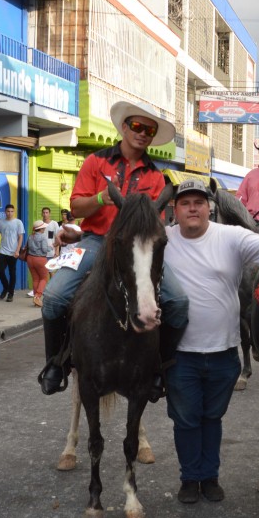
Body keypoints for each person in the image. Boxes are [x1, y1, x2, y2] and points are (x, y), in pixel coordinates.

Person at [39, 100, 189, 398]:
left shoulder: (156, 177)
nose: (142, 133)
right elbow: (76, 207)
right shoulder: (96, 162)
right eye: (137, 126)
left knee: (178, 302)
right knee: (54, 298)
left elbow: (156, 224)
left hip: (136, 248)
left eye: (149, 130)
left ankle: (160, 367)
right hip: (96, 241)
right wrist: (100, 199)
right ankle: (56, 364)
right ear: (123, 127)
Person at [163, 180, 259, 503]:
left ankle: (210, 476)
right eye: (185, 203)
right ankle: (189, 478)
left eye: (199, 202)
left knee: (212, 418)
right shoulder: (163, 239)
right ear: (175, 209)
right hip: (180, 355)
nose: (193, 208)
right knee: (186, 420)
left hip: (223, 353)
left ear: (210, 207)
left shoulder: (231, 236)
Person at [0, 204, 24, 302]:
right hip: (3, 251)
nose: (10, 213)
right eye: (8, 211)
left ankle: (10, 294)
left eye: (11, 211)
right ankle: (6, 287)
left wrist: (17, 250)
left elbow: (20, 237)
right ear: (5, 212)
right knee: (0, 270)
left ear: (14, 212)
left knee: (12, 273)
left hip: (13, 252)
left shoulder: (18, 222)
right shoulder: (0, 222)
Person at [25, 221, 52, 307]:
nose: (44, 228)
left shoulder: (30, 236)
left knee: (35, 279)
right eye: (43, 227)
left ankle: (36, 299)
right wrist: (50, 248)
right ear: (40, 229)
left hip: (30, 259)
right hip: (40, 259)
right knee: (44, 278)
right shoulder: (43, 237)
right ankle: (37, 296)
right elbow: (44, 249)